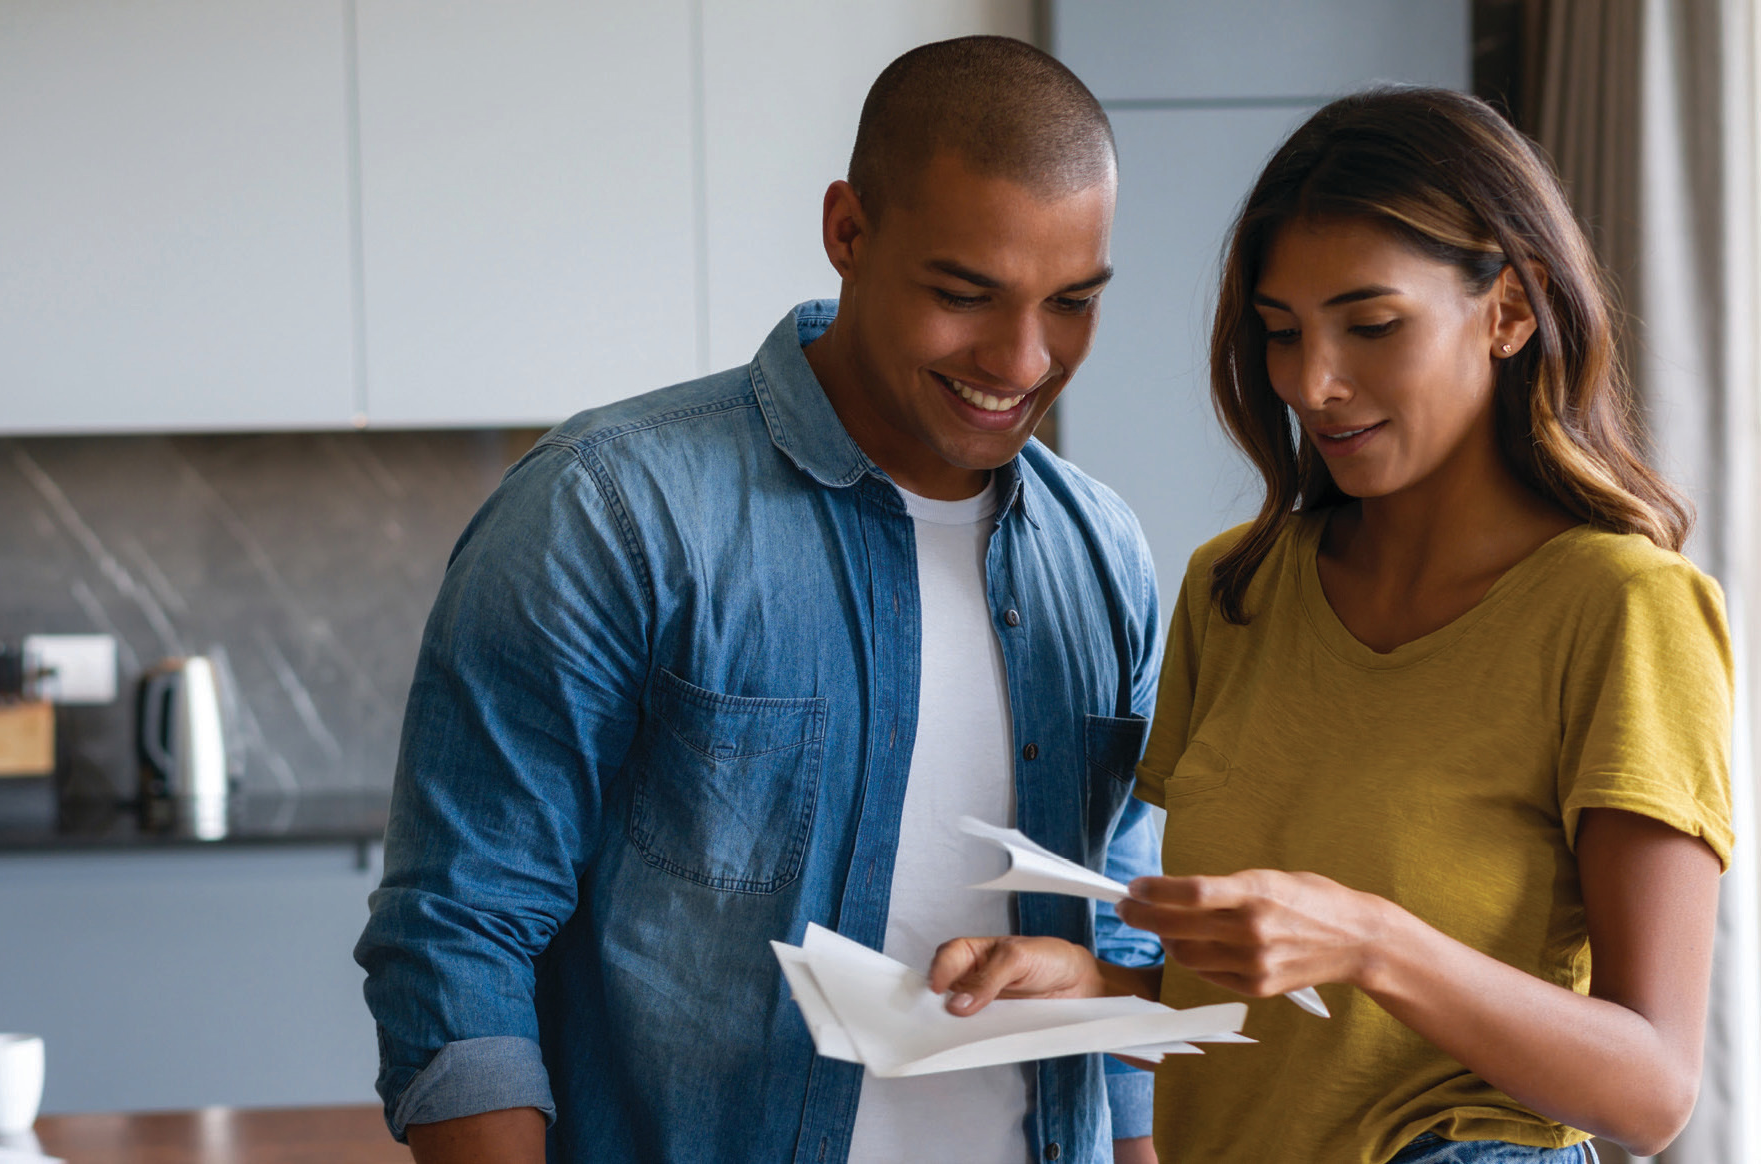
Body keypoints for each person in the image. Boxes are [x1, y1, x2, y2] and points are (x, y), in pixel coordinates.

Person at [356, 36, 1169, 1164]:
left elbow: (1116, 900)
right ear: (846, 230)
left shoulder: (1103, 553)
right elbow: (454, 935)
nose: (1022, 358)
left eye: (1071, 302)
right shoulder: (608, 511)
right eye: (961, 293)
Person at [928, 87, 1733, 1164]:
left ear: (1508, 309)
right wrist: (1095, 987)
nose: (1312, 382)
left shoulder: (1623, 609)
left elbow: (1651, 1090)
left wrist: (1368, 940)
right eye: (1278, 332)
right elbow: (1268, 1026)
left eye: (1371, 325)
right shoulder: (1235, 590)